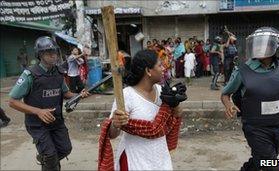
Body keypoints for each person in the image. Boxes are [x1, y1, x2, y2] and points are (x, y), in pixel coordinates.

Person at [221, 27, 279, 171]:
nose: (259, 47)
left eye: (263, 44)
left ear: (275, 45)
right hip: (254, 127)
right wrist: (228, 105)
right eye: (257, 44)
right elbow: (225, 94)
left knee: (263, 159)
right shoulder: (242, 71)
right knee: (272, 164)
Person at [8, 36, 90, 171]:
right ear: (40, 55)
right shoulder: (30, 75)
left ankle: (47, 161)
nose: (53, 55)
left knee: (65, 149)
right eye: (48, 52)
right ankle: (49, 161)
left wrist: (79, 95)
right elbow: (12, 101)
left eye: (55, 51)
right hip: (37, 125)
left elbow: (65, 93)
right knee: (51, 156)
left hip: (56, 121)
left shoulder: (58, 73)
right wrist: (38, 111)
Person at [98, 50, 187, 170]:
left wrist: (175, 102)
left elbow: (176, 116)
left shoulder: (162, 92)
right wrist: (115, 124)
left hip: (160, 157)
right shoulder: (126, 96)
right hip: (134, 159)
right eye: (160, 65)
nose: (164, 68)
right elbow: (112, 134)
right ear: (148, 71)